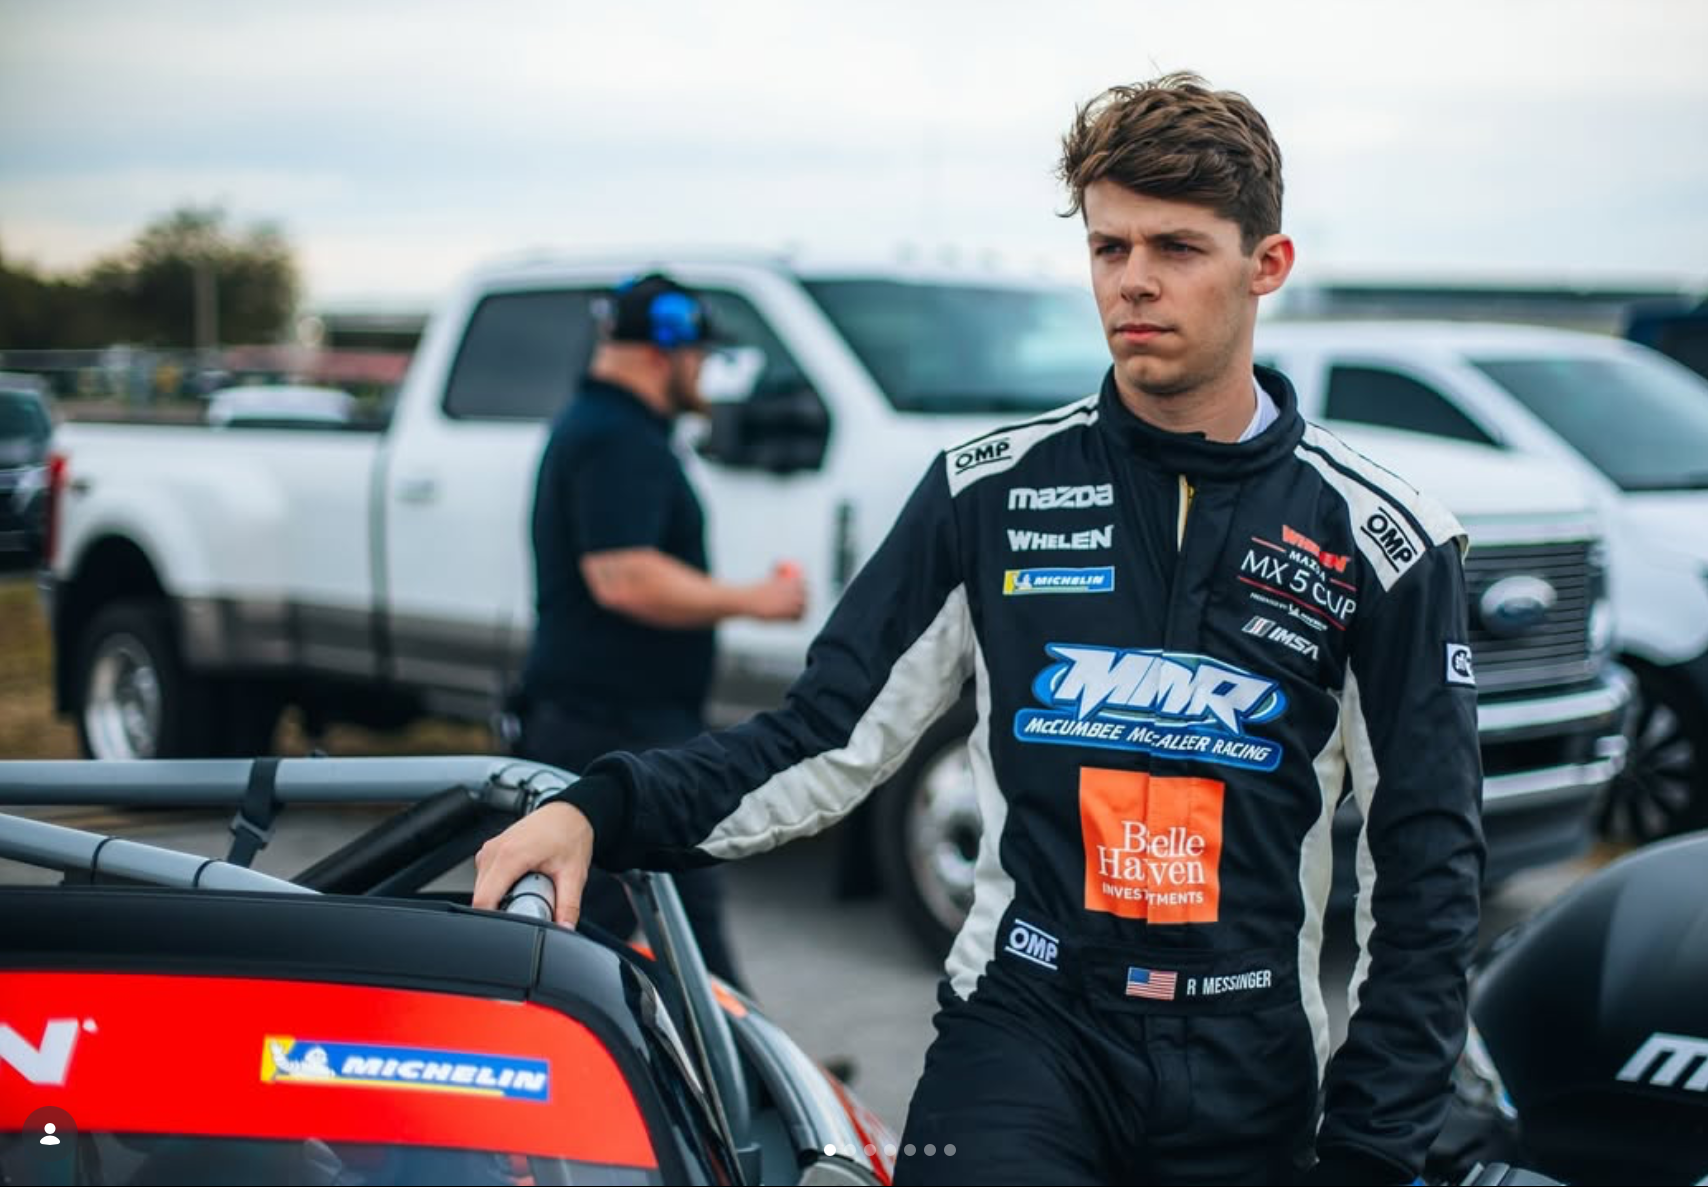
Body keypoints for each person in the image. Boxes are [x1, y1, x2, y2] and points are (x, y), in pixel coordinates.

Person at [475, 74, 1483, 1185]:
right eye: (1109, 246)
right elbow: (822, 736)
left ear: (1267, 264)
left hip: (1247, 1052)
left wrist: (1372, 1150)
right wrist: (603, 806)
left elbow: (1427, 871)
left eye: (1177, 247)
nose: (1134, 280)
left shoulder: (1385, 539)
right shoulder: (986, 491)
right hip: (1030, 1022)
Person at [512, 272, 806, 989]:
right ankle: (734, 1054)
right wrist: (758, 600)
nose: (705, 372)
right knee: (592, 933)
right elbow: (623, 576)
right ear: (661, 353)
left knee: (634, 927)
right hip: (612, 727)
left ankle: (726, 1045)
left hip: (615, 720)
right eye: (699, 355)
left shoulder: (610, 427)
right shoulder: (617, 438)